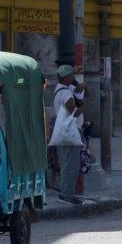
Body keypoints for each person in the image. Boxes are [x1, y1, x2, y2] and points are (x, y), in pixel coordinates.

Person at [51, 65, 86, 205]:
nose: (74, 77)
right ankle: (66, 194)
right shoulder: (65, 93)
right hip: (69, 133)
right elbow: (74, 112)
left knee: (67, 162)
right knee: (71, 164)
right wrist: (83, 105)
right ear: (66, 77)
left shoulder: (59, 90)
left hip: (62, 132)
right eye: (72, 75)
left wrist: (82, 85)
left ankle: (67, 192)